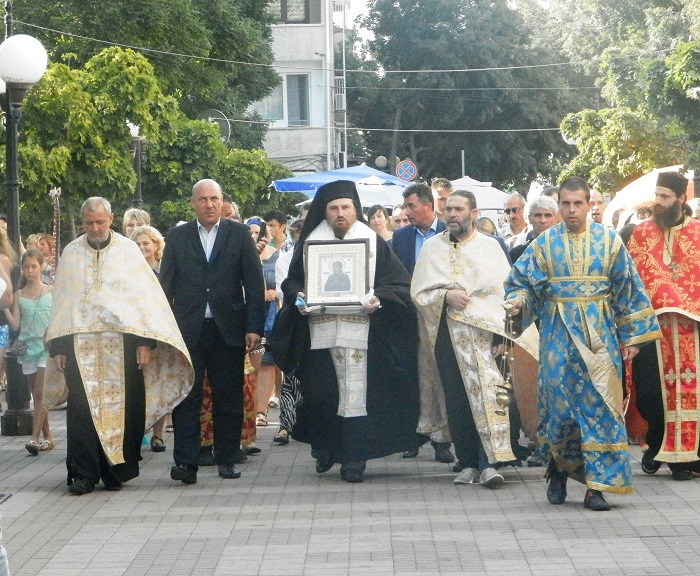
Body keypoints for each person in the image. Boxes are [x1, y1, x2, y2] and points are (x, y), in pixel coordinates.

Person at [504, 177, 661, 511]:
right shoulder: (544, 244)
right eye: (566, 203)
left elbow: (628, 289)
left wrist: (632, 337)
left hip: (600, 339)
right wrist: (517, 301)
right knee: (559, 409)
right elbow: (521, 283)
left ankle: (596, 487)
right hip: (558, 341)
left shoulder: (610, 242)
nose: (572, 210)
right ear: (558, 204)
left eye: (578, 203)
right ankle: (558, 470)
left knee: (600, 409)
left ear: (590, 204)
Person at [43, 197, 193, 495]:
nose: (95, 228)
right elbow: (62, 302)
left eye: (100, 222)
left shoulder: (128, 252)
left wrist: (145, 343)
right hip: (80, 347)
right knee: (81, 413)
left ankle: (115, 471)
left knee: (125, 410)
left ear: (110, 218)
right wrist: (58, 347)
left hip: (123, 345)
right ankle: (83, 474)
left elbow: (144, 301)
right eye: (89, 223)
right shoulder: (72, 253)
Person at [280, 179, 420, 483]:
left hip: (363, 334)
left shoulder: (372, 241)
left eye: (345, 207)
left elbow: (398, 283)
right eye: (333, 208)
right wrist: (300, 297)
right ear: (324, 211)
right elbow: (291, 282)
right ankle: (326, 447)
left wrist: (378, 299)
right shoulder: (310, 243)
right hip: (320, 334)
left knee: (356, 395)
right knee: (323, 394)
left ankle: (354, 457)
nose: (340, 213)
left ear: (355, 209)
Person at [412, 190, 537, 488]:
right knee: (458, 400)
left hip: (487, 337)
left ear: (473, 212)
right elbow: (419, 293)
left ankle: (491, 463)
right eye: (448, 209)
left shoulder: (490, 247)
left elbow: (503, 295)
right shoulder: (431, 248)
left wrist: (502, 335)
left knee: (493, 397)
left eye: (458, 209)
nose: (452, 214)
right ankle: (468, 463)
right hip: (447, 336)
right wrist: (445, 295)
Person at [160, 179, 266, 484]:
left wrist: (254, 327)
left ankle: (227, 458)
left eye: (214, 199)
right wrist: (163, 331)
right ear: (193, 203)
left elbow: (254, 284)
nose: (209, 205)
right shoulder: (178, 237)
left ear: (222, 202)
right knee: (187, 398)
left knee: (228, 396)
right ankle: (186, 463)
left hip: (228, 329)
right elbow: (165, 286)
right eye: (203, 199)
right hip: (188, 328)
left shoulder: (238, 235)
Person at [627, 171, 700, 480]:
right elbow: (630, 278)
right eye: (657, 195)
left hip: (691, 329)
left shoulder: (698, 232)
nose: (658, 202)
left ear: (681, 199)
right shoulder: (640, 233)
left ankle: (686, 458)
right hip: (651, 330)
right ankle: (657, 443)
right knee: (650, 394)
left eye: (665, 197)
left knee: (692, 393)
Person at [390, 182, 454, 463]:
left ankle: (442, 441)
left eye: (411, 206)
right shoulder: (401, 237)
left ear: (428, 206)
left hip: (443, 317)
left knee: (440, 378)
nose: (407, 212)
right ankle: (411, 438)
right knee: (410, 375)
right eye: (405, 206)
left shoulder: (449, 232)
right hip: (409, 317)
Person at [3, 249, 53, 455]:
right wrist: (4, 306)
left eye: (34, 266)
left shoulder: (52, 291)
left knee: (41, 393)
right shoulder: (18, 295)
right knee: (37, 394)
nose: (30, 271)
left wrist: (51, 332)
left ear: (41, 266)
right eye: (26, 267)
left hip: (46, 347)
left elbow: (57, 316)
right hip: (27, 348)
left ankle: (34, 438)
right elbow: (15, 325)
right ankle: (48, 437)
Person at [130, 225, 170, 453]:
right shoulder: (129, 272)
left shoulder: (165, 271)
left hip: (161, 332)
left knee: (160, 385)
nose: (142, 247)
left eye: (146, 243)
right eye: (137, 244)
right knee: (139, 388)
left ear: (156, 245)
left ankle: (157, 435)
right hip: (137, 334)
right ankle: (137, 434)